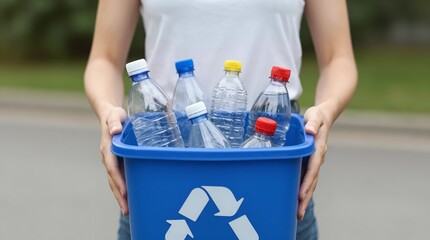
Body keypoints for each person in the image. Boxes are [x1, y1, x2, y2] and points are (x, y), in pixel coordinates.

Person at [84, 0, 357, 239]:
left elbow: (338, 58)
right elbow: (104, 59)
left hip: (274, 154)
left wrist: (326, 111)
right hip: (163, 155)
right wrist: (108, 111)